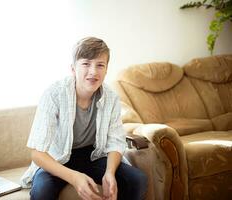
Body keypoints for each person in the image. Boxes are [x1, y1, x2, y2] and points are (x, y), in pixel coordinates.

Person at [21, 37, 147, 200]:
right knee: (42, 192)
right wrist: (74, 177)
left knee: (137, 180)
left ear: (106, 69)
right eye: (86, 64)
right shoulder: (54, 94)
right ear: (73, 69)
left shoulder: (112, 98)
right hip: (58, 157)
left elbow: (116, 141)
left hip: (93, 155)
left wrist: (109, 173)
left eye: (100, 65)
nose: (93, 72)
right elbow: (38, 153)